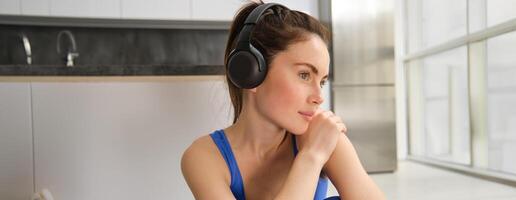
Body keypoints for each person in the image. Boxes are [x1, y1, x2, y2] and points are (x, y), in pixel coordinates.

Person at [181, 1, 386, 199]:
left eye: (321, 81)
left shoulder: (324, 136)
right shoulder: (203, 157)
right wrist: (311, 157)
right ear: (252, 74)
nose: (319, 97)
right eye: (304, 75)